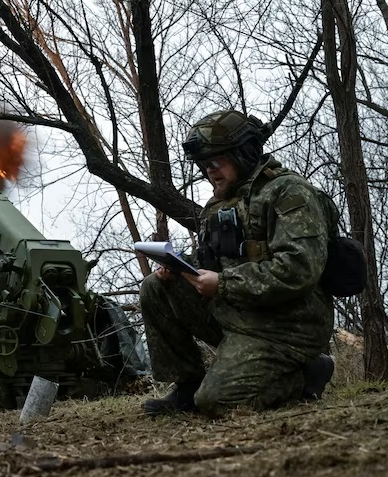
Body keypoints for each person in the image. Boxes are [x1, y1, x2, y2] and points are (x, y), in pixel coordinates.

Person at [140, 110, 335, 416]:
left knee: (217, 402)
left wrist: (224, 284)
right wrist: (179, 267)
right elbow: (211, 259)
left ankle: (307, 372)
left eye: (216, 161)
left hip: (287, 327)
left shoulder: (289, 193)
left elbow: (299, 269)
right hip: (239, 313)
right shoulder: (219, 202)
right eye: (205, 164)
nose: (209, 171)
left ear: (242, 154)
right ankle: (187, 386)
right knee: (155, 287)